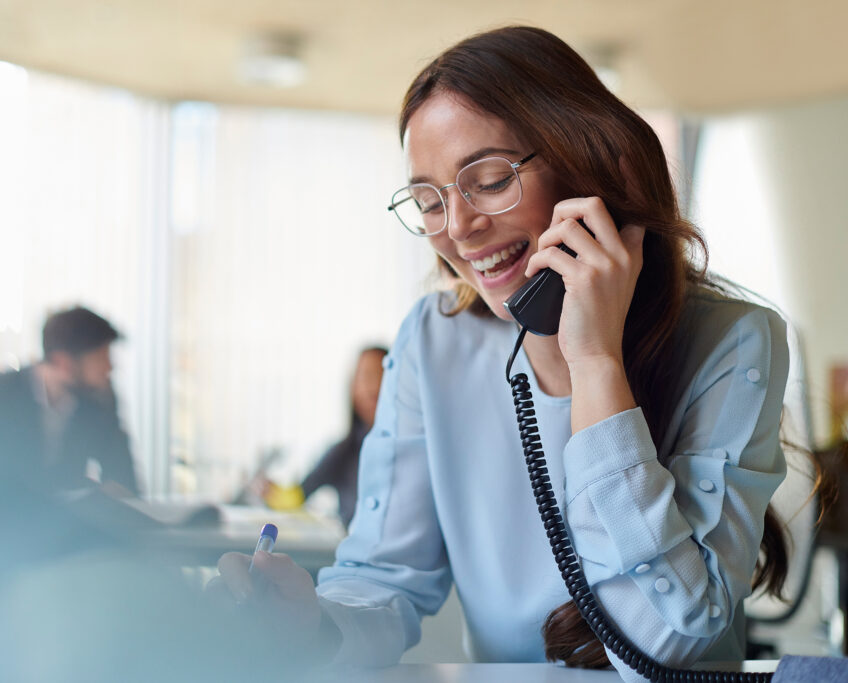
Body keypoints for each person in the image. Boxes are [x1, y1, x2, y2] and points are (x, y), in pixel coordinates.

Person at [213, 25, 794, 681]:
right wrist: (313, 623)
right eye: (429, 200)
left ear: (592, 167)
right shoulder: (434, 339)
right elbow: (383, 580)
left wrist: (594, 362)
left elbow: (660, 649)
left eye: (488, 180)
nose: (457, 228)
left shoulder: (736, 340)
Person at [0, 306, 138, 495]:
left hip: (71, 520)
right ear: (63, 362)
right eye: (101, 358)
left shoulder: (101, 399)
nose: (109, 367)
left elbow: (124, 481)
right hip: (4, 518)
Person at [259, 346, 388, 528]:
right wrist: (269, 492)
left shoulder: (416, 450)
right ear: (352, 388)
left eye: (381, 375)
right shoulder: (343, 452)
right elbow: (298, 496)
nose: (373, 385)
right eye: (365, 376)